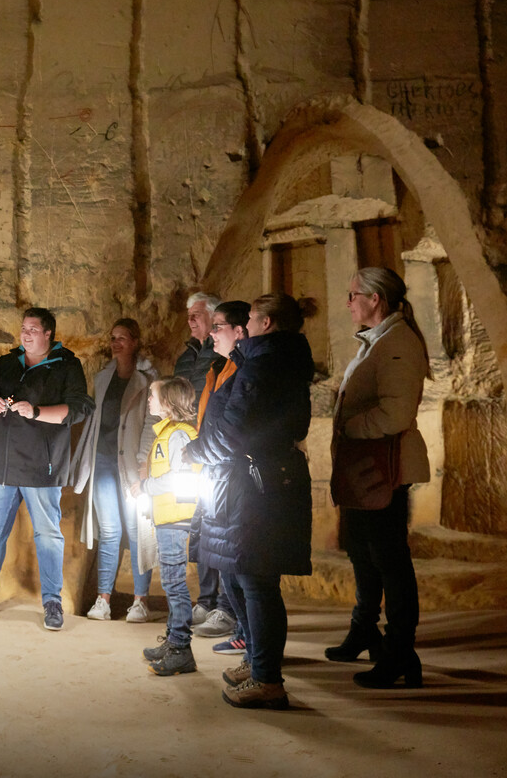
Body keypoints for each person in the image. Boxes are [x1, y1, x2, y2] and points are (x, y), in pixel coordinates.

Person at [190, 292, 315, 710]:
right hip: (246, 482)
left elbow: (231, 431)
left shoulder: (267, 364)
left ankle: (267, 678)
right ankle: (257, 660)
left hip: (254, 488)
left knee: (256, 580)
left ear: (263, 324)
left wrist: (194, 454)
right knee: (237, 574)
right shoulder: (263, 361)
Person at [0, 307, 93, 632]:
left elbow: (80, 408)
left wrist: (36, 411)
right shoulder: (7, 362)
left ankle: (52, 602)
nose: (25, 334)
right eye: (23, 328)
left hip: (43, 466)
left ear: (48, 334)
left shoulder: (66, 365)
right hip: (0, 465)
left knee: (48, 535)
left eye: (32, 329)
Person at [328, 267, 431, 689]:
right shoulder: (379, 340)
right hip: (365, 468)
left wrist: (350, 428)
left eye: (354, 294)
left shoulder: (397, 344)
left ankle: (400, 651)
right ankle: (365, 629)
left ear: (376, 299)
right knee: (361, 550)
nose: (348, 301)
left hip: (383, 470)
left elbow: (396, 412)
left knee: (390, 560)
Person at [70, 318, 158, 623]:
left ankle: (140, 601)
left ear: (134, 342)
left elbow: (151, 423)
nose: (116, 343)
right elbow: (96, 423)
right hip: (104, 462)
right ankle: (103, 599)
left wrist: (143, 462)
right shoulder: (104, 377)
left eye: (122, 338)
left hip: (131, 464)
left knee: (137, 530)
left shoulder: (148, 378)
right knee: (109, 530)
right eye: (113, 338)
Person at [174, 292, 235, 639]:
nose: (191, 321)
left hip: (214, 452)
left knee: (220, 531)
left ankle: (225, 606)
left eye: (197, 315)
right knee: (202, 531)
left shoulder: (223, 358)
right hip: (193, 451)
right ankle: (207, 599)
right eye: (190, 316)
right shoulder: (188, 358)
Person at [137, 376, 204, 677]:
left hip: (176, 518)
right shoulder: (169, 433)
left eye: (153, 395)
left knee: (175, 584)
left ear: (167, 402)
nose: (148, 400)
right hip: (169, 517)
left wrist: (147, 486)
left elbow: (181, 478)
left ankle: (180, 648)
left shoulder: (179, 435)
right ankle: (173, 640)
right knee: (170, 582)